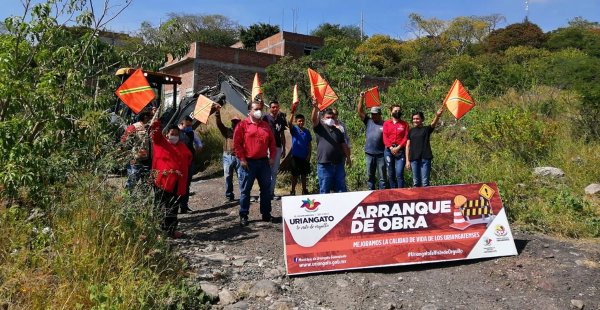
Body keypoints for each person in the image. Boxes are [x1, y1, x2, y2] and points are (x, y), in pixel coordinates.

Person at [233, 101, 277, 226]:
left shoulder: (265, 126)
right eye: (256, 109)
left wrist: (272, 157)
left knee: (265, 190)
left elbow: (272, 144)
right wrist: (242, 159)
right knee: (245, 191)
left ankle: (266, 214)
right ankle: (243, 215)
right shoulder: (242, 125)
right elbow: (237, 144)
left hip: (263, 163)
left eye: (260, 109)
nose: (259, 111)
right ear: (249, 112)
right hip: (248, 163)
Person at [149, 117, 192, 238]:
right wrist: (156, 122)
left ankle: (171, 230)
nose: (174, 136)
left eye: (177, 134)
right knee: (160, 206)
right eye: (172, 134)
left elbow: (189, 158)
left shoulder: (182, 146)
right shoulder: (160, 143)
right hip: (162, 182)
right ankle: (158, 231)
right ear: (167, 134)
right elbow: (155, 132)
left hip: (177, 183)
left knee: (173, 208)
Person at [311, 100, 351, 194]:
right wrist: (315, 107)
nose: (330, 119)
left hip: (338, 164)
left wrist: (348, 157)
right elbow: (313, 119)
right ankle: (325, 209)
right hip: (324, 164)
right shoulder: (319, 127)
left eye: (332, 117)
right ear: (323, 118)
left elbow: (343, 144)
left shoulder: (338, 130)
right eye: (328, 117)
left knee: (341, 188)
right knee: (324, 189)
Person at [405, 107, 444, 187]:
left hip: (425, 158)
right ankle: (417, 199)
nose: (415, 120)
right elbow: (407, 146)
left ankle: (425, 199)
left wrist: (437, 116)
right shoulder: (411, 131)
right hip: (414, 159)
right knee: (416, 183)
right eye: (414, 119)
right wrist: (407, 160)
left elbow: (433, 124)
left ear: (422, 119)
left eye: (417, 119)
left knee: (425, 182)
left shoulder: (426, 129)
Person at [357, 93, 386, 190]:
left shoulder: (385, 124)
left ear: (380, 114)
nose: (373, 116)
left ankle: (382, 195)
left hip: (381, 154)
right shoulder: (368, 121)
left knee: (382, 177)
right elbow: (360, 111)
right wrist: (361, 98)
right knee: (370, 176)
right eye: (372, 114)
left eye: (375, 114)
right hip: (369, 153)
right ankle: (371, 194)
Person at [120, 110, 153, 191]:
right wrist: (129, 157)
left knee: (146, 186)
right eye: (151, 116)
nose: (152, 118)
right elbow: (123, 143)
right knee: (131, 184)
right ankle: (126, 200)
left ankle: (143, 202)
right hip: (136, 162)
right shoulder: (134, 127)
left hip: (148, 161)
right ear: (145, 117)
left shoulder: (151, 128)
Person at [215, 105, 241, 202]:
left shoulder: (242, 132)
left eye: (237, 122)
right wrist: (217, 113)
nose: (235, 123)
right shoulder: (227, 131)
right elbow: (219, 124)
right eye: (234, 122)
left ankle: (244, 194)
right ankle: (229, 195)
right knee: (228, 177)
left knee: (241, 176)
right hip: (228, 156)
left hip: (239, 156)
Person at [262, 100, 287, 200]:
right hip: (267, 147)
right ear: (270, 108)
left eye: (277, 107)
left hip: (277, 147)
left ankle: (271, 192)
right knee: (266, 170)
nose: (275, 109)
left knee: (274, 171)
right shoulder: (265, 118)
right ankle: (264, 192)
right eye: (273, 107)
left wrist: (284, 148)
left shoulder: (281, 119)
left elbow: (282, 134)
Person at [178, 116, 203, 213]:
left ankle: (184, 206)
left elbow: (198, 143)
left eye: (190, 125)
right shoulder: (176, 133)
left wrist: (198, 147)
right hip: (178, 163)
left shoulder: (191, 133)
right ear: (181, 124)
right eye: (187, 125)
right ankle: (174, 207)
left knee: (186, 184)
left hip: (189, 162)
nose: (189, 127)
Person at [288, 101, 312, 195]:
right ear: (296, 121)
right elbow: (289, 123)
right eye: (299, 121)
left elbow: (309, 144)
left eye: (302, 121)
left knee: (304, 174)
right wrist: (292, 112)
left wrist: (309, 155)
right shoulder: (294, 129)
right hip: (295, 156)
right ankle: (293, 190)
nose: (301, 122)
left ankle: (304, 190)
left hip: (304, 156)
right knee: (294, 175)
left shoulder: (307, 131)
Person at [383, 104, 410, 188]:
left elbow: (406, 137)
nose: (397, 112)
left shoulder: (405, 124)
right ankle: (393, 193)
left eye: (399, 111)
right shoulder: (386, 123)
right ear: (391, 112)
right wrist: (391, 147)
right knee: (391, 174)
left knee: (399, 173)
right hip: (389, 151)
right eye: (395, 111)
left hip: (400, 151)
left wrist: (398, 147)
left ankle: (401, 192)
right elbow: (385, 136)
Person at [330, 107, 350, 192]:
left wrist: (348, 152)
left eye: (335, 114)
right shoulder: (328, 125)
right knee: (331, 173)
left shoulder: (342, 125)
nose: (334, 116)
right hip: (332, 153)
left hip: (342, 152)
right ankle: (333, 190)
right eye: (332, 114)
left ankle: (342, 191)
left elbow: (346, 138)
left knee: (341, 173)